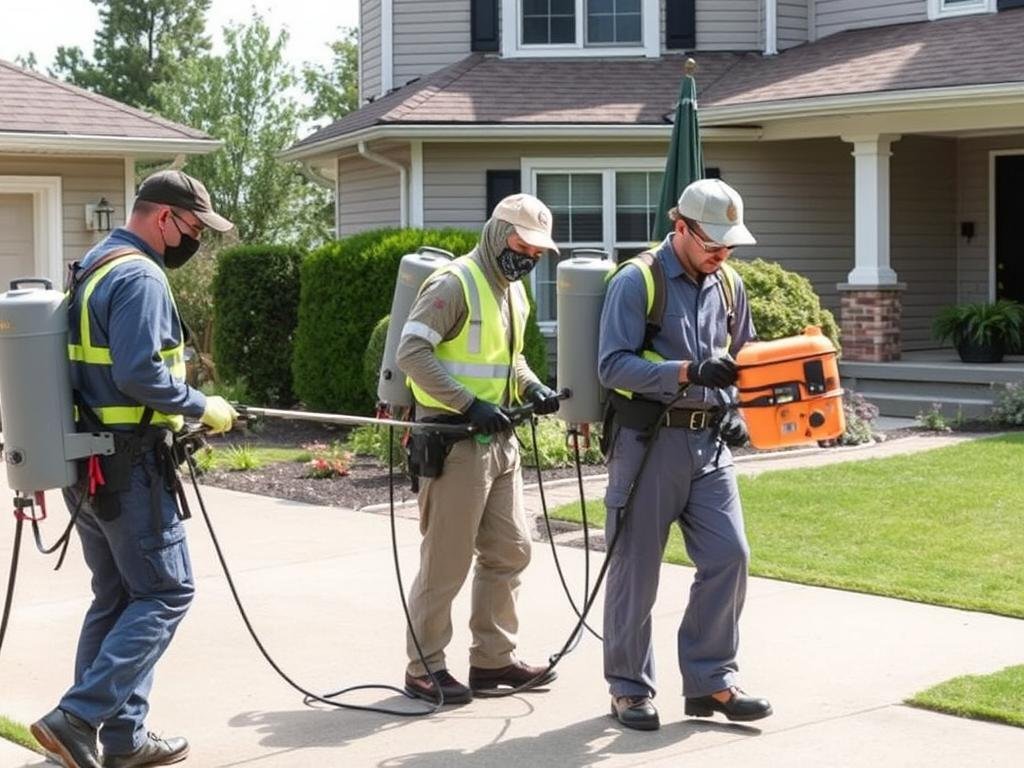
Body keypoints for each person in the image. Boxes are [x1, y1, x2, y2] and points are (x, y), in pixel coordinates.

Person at [31, 170, 238, 768]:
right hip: (131, 467)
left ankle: (121, 740)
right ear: (164, 217)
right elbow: (139, 374)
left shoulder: (94, 264)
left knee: (119, 594)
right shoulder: (140, 276)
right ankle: (77, 717)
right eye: (194, 227)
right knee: (167, 591)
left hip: (88, 463)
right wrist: (202, 406)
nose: (195, 239)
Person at [597, 178, 773, 731]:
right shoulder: (638, 281)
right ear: (681, 228)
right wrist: (687, 372)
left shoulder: (730, 286)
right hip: (649, 443)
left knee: (730, 555)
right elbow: (612, 365)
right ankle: (629, 688)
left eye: (729, 245)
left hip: (709, 443)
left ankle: (710, 681)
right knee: (636, 570)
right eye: (712, 242)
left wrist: (737, 409)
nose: (722, 253)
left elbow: (742, 358)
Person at [396, 193, 562, 704]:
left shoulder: (512, 292)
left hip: (498, 438)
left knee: (511, 550)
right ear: (496, 234)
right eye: (522, 245)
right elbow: (411, 352)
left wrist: (534, 386)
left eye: (537, 251)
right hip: (454, 440)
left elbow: (510, 359)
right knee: (446, 562)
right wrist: (469, 403)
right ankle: (424, 669)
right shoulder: (454, 283)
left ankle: (492, 662)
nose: (529, 257)